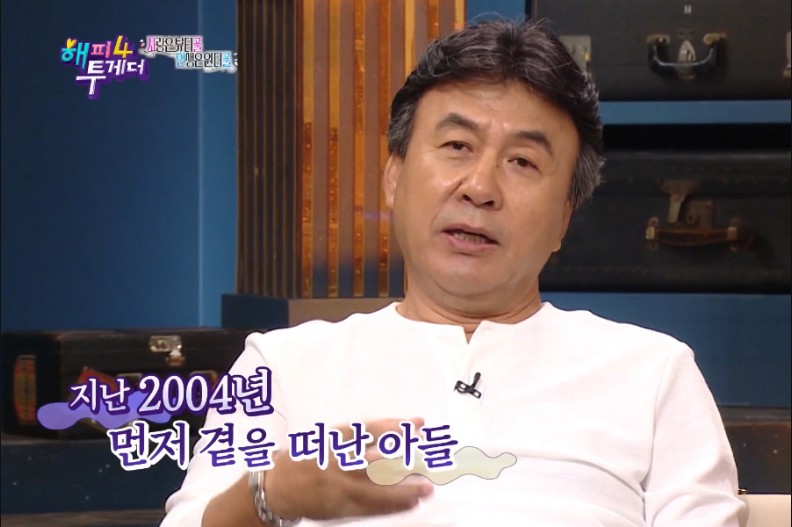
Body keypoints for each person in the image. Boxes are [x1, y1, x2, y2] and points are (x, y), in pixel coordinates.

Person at [161, 18, 744, 527]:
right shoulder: (283, 366)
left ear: (564, 218)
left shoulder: (653, 373)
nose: (481, 187)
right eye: (458, 146)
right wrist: (269, 495)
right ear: (394, 178)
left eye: (523, 161)